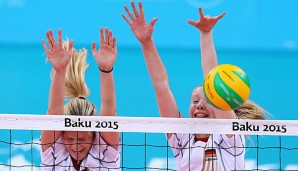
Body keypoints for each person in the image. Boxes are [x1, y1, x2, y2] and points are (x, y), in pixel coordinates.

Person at [122, 2, 265, 170]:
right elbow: (161, 86)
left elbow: (211, 76)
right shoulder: (181, 136)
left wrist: (206, 33)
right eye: (195, 101)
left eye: (207, 100)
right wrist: (147, 43)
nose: (199, 106)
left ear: (220, 104)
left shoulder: (230, 137)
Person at [40, 28, 120, 171]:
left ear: (94, 135)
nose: (76, 146)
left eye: (82, 139)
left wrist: (106, 69)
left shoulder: (104, 152)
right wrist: (59, 71)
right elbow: (54, 111)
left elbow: (109, 109)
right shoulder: (53, 154)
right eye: (70, 139)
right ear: (61, 134)